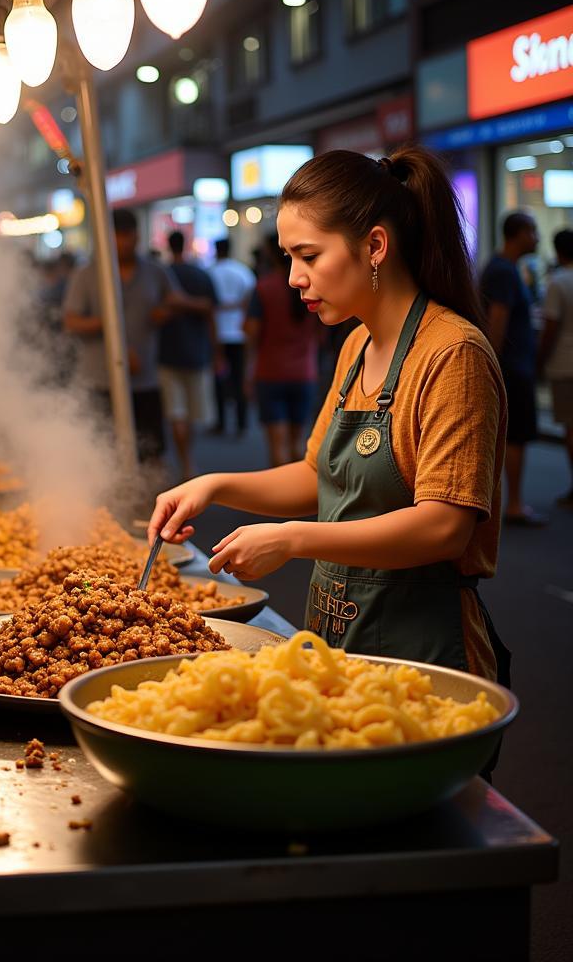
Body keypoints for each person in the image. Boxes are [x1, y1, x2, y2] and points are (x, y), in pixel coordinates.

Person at [149, 147, 510, 689]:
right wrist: (213, 485)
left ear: (375, 246)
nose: (295, 278)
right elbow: (319, 475)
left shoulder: (453, 353)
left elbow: (443, 527)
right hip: (341, 644)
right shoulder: (357, 344)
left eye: (309, 256)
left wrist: (293, 539)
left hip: (426, 660)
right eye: (289, 257)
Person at [64, 209, 174, 462]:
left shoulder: (155, 272)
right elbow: (71, 321)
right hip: (100, 383)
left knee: (151, 455)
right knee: (103, 458)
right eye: (117, 236)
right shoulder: (86, 274)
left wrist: (165, 312)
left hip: (145, 382)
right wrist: (108, 324)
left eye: (128, 235)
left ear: (137, 236)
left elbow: (172, 301)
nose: (122, 242)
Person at [481, 212, 545, 526]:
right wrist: (491, 366)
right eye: (532, 231)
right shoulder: (503, 271)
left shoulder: (505, 269)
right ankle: (515, 504)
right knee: (514, 435)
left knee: (513, 435)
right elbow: (497, 322)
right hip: (510, 368)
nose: (537, 237)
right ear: (517, 233)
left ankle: (514, 502)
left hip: (514, 367)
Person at [245, 233, 320, 466]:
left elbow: (251, 332)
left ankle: (282, 499)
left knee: (277, 447)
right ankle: (301, 499)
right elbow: (321, 332)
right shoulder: (312, 285)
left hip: (270, 372)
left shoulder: (264, 288)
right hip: (304, 372)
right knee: (298, 445)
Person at [157, 230, 218, 479]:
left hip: (167, 353)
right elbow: (211, 312)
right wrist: (217, 351)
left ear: (168, 247)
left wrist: (177, 304)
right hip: (197, 352)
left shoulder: (161, 275)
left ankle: (184, 461)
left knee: (176, 413)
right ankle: (188, 461)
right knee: (192, 414)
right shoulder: (200, 274)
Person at [539, 228, 573, 506]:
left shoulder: (558, 282)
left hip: (564, 364)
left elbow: (550, 327)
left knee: (571, 428)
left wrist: (539, 360)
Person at [208, 236, 255, 436]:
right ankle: (242, 422)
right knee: (238, 378)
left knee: (218, 380)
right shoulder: (242, 271)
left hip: (216, 332)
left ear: (216, 250)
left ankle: (220, 422)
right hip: (239, 332)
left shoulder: (209, 272)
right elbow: (250, 299)